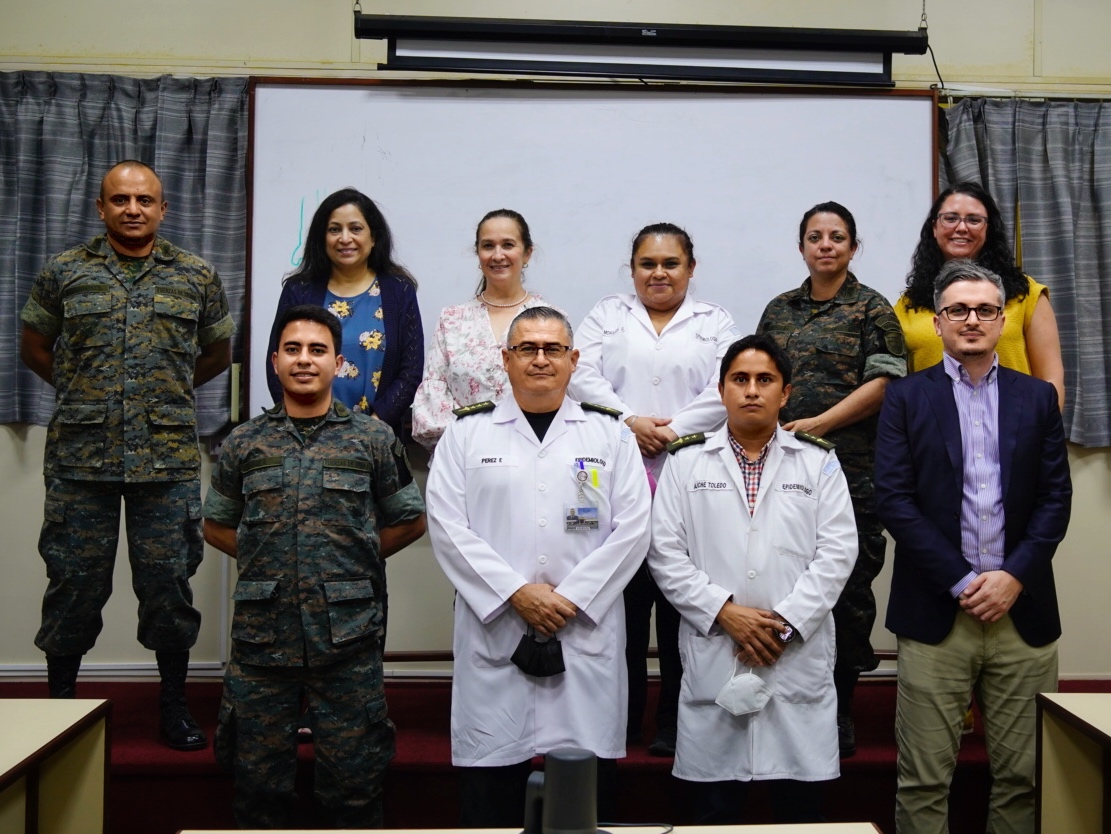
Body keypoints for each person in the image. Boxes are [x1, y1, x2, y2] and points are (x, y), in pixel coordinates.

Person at [19, 159, 233, 751]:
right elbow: (36, 346)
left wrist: (165, 388)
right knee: (73, 584)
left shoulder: (195, 275)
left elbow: (216, 351)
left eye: (144, 201)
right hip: (80, 459)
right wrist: (83, 390)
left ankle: (172, 705)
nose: (132, 209)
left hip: (164, 460)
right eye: (120, 200)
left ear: (163, 209)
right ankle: (59, 709)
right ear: (101, 207)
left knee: (169, 585)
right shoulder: (64, 272)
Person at [425, 306, 651, 827]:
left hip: (582, 632)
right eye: (527, 348)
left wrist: (570, 598)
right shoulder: (466, 433)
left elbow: (635, 527)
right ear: (505, 359)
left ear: (574, 360)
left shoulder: (609, 435)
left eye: (553, 349)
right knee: (491, 790)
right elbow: (448, 527)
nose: (540, 359)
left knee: (585, 792)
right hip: (499, 629)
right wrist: (515, 594)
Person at [203, 304, 426, 828]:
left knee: (353, 792)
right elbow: (216, 526)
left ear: (338, 362)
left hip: (346, 641)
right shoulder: (244, 442)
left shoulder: (372, 439)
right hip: (263, 642)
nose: (305, 360)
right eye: (294, 350)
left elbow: (408, 520)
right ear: (276, 360)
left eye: (318, 350)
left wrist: (350, 562)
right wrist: (274, 559)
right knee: (257, 792)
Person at [875, 259, 1072, 834]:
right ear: (937, 323)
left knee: (1024, 778)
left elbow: (1054, 502)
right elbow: (895, 501)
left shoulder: (1036, 398)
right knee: (924, 779)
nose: (972, 319)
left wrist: (1013, 577)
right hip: (939, 612)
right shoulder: (906, 399)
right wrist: (963, 581)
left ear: (1003, 319)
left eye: (985, 309)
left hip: (1023, 611)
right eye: (958, 309)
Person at [649, 333, 857, 824]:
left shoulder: (818, 461)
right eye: (739, 379)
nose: (751, 390)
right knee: (715, 807)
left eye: (765, 380)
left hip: (794, 654)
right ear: (721, 390)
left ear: (785, 393)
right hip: (719, 648)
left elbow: (838, 552)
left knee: (797, 807)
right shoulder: (685, 461)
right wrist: (725, 613)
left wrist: (783, 623)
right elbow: (665, 553)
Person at [570, 222, 738, 756]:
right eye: (647, 263)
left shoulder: (715, 322)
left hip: (688, 477)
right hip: (615, 476)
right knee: (619, 614)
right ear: (633, 268)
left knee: (680, 613)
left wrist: (669, 432)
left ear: (690, 268)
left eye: (670, 264)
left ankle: (672, 723)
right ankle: (618, 722)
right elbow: (581, 377)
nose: (658, 273)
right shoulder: (605, 315)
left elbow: (725, 387)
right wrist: (632, 421)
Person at [755, 201, 905, 756]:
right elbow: (759, 377)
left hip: (852, 473)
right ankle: (780, 703)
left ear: (852, 247)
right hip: (782, 475)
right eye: (815, 236)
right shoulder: (779, 310)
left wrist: (818, 423)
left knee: (847, 595)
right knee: (784, 585)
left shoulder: (871, 309)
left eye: (837, 237)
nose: (826, 245)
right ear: (802, 247)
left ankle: (839, 712)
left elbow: (887, 383)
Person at [266, 187, 423, 439]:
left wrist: (371, 428)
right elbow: (278, 365)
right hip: (306, 436)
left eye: (356, 228)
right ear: (322, 238)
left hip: (376, 437)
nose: (345, 238)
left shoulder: (398, 290)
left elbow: (410, 371)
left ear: (373, 238)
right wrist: (304, 422)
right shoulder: (299, 290)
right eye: (334, 229)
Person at [895, 181, 1064, 410]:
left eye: (974, 220)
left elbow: (1051, 380)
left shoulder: (1026, 294)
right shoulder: (907, 304)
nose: (962, 228)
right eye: (951, 218)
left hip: (1013, 433)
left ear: (989, 229)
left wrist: (1042, 438)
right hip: (934, 436)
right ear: (934, 228)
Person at [412, 209, 559, 451]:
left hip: (534, 453)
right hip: (462, 456)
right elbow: (432, 399)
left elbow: (558, 394)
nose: (498, 255)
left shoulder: (551, 320)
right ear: (478, 254)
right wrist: (477, 446)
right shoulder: (452, 320)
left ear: (527, 253)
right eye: (488, 246)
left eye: (508, 245)